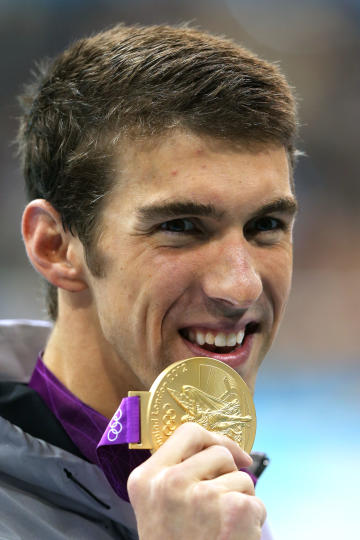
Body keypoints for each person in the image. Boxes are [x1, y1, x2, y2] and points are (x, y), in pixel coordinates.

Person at [0, 23, 298, 540]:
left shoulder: (227, 504)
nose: (242, 286)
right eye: (180, 227)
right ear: (54, 247)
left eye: (265, 226)